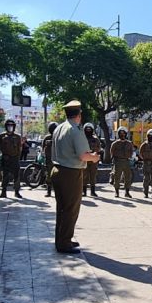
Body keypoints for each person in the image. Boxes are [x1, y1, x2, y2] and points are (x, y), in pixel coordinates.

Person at [50, 100, 99, 254]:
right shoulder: (75, 130)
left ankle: (63, 238)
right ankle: (64, 243)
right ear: (79, 115)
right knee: (71, 209)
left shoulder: (59, 128)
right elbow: (83, 155)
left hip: (57, 170)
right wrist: (94, 157)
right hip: (70, 173)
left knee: (62, 208)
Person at [0, 119, 23, 199]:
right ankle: (3, 192)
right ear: (6, 127)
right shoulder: (1, 136)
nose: (10, 127)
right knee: (5, 176)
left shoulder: (17, 137)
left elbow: (19, 148)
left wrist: (17, 157)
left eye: (11, 126)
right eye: (8, 126)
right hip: (5, 158)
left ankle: (17, 192)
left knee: (17, 176)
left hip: (15, 158)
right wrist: (4, 154)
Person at [111, 127, 134, 198]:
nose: (122, 135)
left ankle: (127, 192)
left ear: (126, 134)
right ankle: (116, 192)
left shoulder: (129, 143)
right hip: (118, 161)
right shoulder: (115, 143)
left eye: (124, 133)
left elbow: (131, 152)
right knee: (117, 177)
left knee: (128, 177)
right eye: (121, 133)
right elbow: (111, 152)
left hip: (126, 161)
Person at [82, 123, 102, 197]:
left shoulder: (95, 138)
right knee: (84, 175)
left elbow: (99, 148)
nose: (88, 131)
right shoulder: (82, 138)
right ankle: (84, 191)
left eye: (89, 129)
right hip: (85, 159)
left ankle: (93, 192)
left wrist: (94, 152)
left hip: (93, 160)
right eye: (87, 129)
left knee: (93, 176)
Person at [42, 122, 57, 197]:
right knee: (48, 176)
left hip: (58, 160)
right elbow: (43, 147)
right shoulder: (47, 138)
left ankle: (58, 192)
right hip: (49, 160)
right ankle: (49, 191)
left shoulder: (59, 137)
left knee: (58, 176)